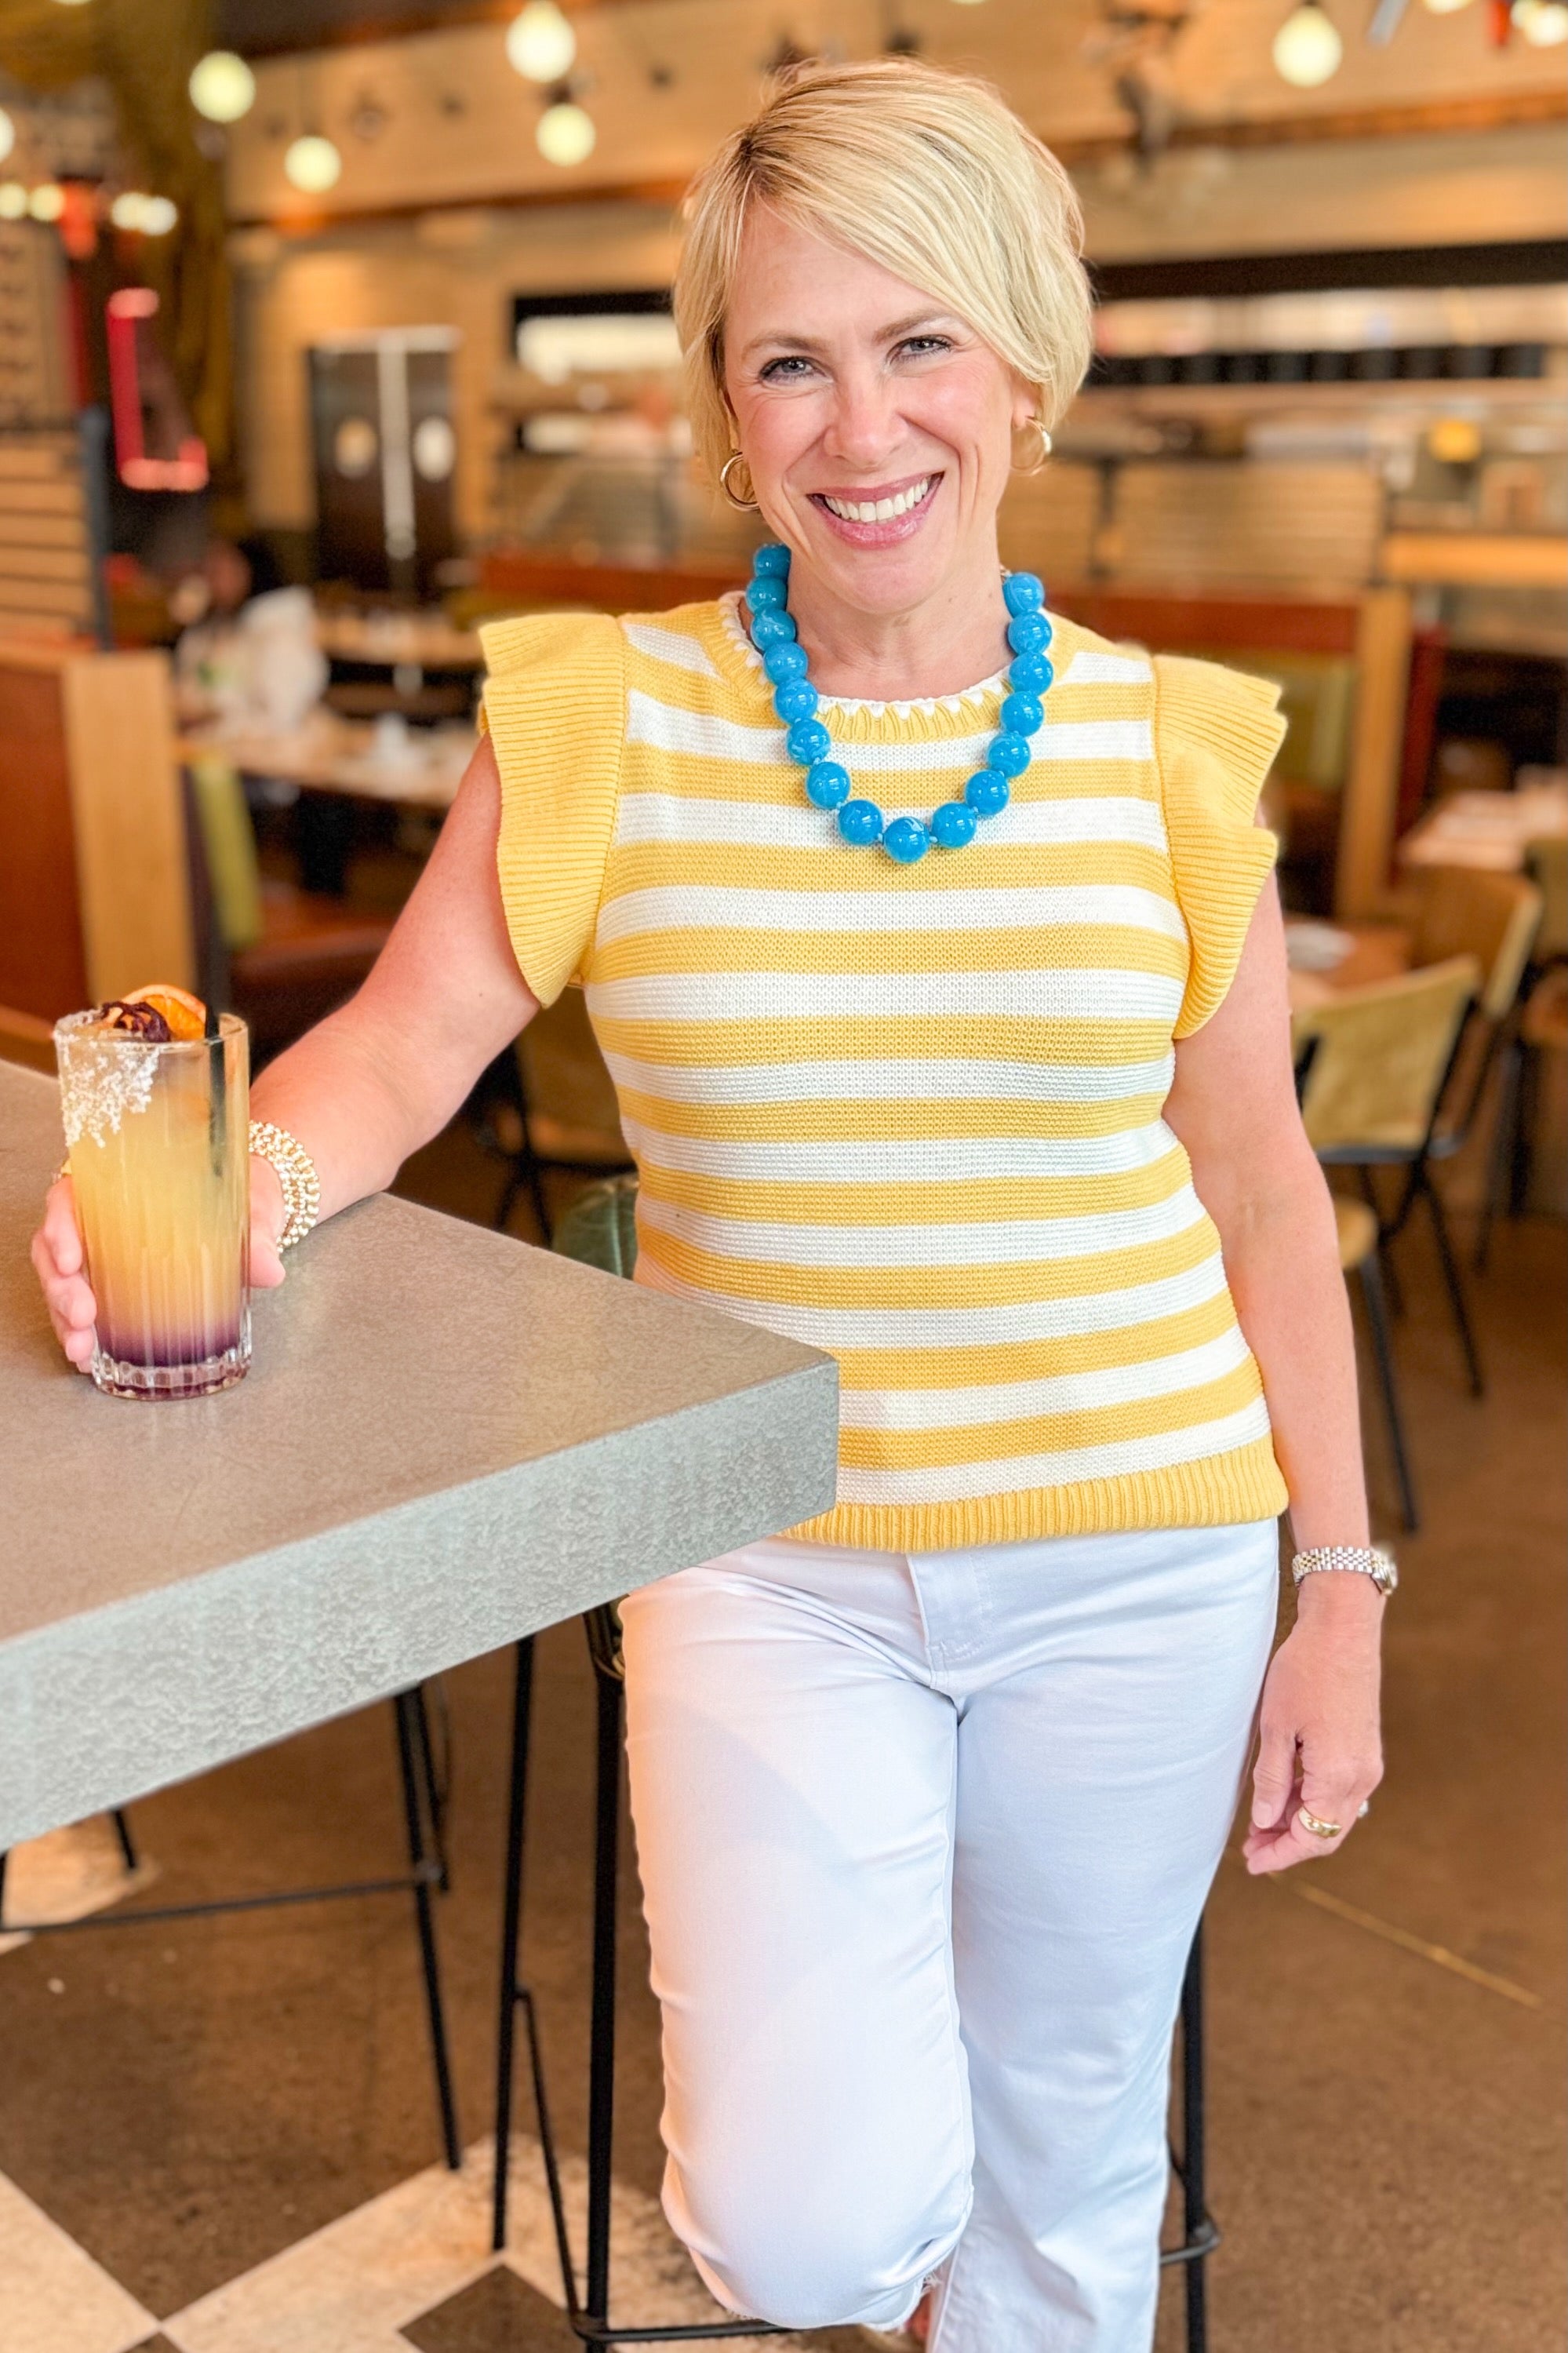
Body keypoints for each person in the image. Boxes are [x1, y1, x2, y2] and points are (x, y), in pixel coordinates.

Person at [34, 60, 1387, 2353]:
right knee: (805, 2223)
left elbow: (1261, 1183)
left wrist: (1339, 1588)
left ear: (1027, 366)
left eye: (921, 341)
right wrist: (231, 1182)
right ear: (727, 412)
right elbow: (401, 1043)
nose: (864, 425)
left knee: (1066, 2169)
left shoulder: (1177, 748)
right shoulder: (598, 722)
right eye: (793, 359)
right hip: (768, 1560)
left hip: (1137, 1554)